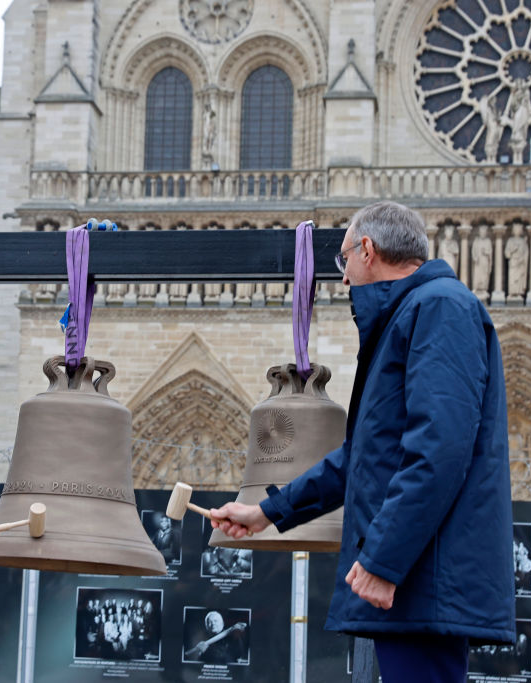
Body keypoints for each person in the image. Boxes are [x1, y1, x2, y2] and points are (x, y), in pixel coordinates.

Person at [210, 201, 514, 682]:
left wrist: (382, 561)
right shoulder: (413, 314)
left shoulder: (438, 308)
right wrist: (266, 512)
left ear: (367, 250)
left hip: (422, 579)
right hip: (416, 579)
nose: (344, 279)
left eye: (344, 260)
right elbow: (364, 459)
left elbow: (439, 450)